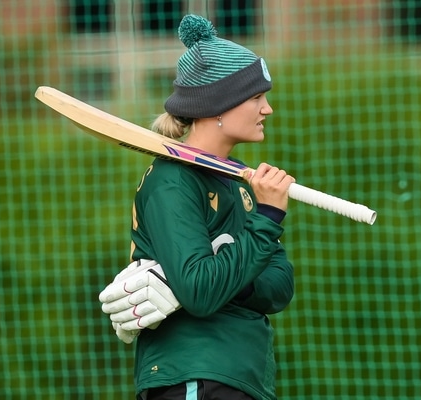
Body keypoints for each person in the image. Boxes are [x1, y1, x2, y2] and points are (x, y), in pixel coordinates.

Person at [100, 14, 295, 400]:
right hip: (194, 377)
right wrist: (267, 220)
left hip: (243, 376)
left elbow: (280, 286)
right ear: (218, 106)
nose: (267, 109)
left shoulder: (241, 182)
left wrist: (225, 266)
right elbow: (201, 292)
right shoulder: (172, 181)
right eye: (256, 97)